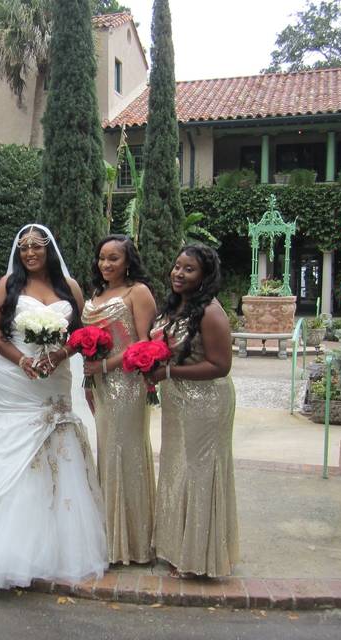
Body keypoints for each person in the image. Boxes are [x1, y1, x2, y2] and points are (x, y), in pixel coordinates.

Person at [0, 224, 107, 592]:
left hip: (54, 375)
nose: (30, 253)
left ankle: (57, 545)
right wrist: (22, 360)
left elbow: (81, 335)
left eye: (37, 247)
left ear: (50, 248)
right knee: (14, 446)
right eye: (24, 248)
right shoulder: (7, 284)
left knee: (57, 444)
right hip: (15, 376)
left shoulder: (71, 288)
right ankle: (7, 548)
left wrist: (60, 355)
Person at [148, 244, 238, 577]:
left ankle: (198, 558)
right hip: (178, 400)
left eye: (189, 269)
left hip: (207, 402)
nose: (178, 273)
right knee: (177, 468)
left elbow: (220, 365)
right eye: (177, 266)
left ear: (205, 276)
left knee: (199, 472)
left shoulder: (211, 312)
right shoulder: (175, 306)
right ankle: (176, 547)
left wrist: (169, 373)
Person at [81, 235, 157, 565]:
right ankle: (111, 539)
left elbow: (144, 345)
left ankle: (135, 543)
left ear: (128, 261)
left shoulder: (137, 292)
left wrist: (105, 365)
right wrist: (90, 378)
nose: (106, 264)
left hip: (127, 383)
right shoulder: (97, 294)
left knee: (124, 453)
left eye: (114, 258)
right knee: (107, 454)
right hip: (99, 383)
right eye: (102, 258)